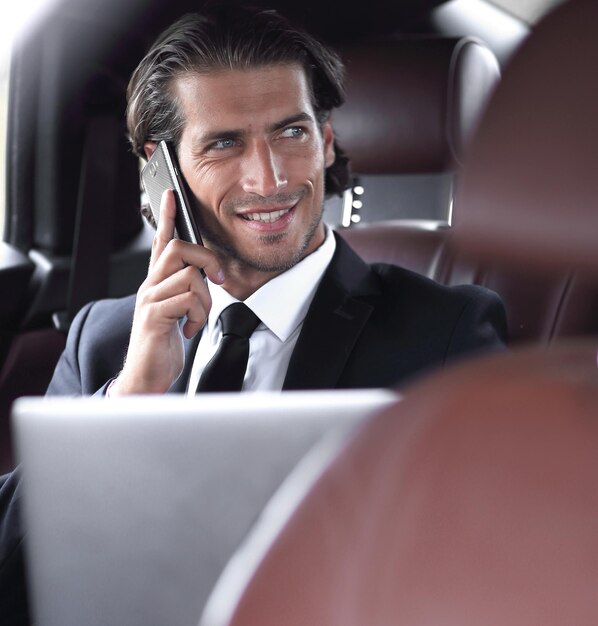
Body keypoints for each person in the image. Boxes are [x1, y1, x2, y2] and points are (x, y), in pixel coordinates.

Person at [0, 5, 507, 623]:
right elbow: (14, 576)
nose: (268, 179)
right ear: (162, 171)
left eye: (291, 132)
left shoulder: (448, 335)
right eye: (224, 143)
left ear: (325, 141)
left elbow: (490, 574)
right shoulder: (104, 341)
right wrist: (131, 398)